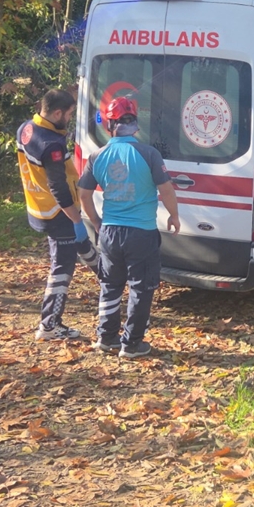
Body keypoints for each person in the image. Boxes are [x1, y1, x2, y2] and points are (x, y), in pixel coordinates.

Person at [77, 96, 179, 359]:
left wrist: (97, 223)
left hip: (110, 231)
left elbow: (84, 195)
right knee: (141, 287)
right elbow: (166, 190)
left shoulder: (97, 156)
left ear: (109, 125)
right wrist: (174, 216)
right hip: (141, 232)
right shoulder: (149, 154)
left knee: (110, 285)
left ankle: (106, 337)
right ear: (135, 124)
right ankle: (132, 344)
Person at [16, 89, 102, 341]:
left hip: (38, 206)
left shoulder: (26, 128)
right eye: (69, 114)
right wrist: (76, 218)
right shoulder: (51, 145)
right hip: (56, 212)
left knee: (83, 246)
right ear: (56, 113)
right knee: (62, 267)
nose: (70, 117)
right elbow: (58, 187)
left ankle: (109, 282)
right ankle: (49, 325)